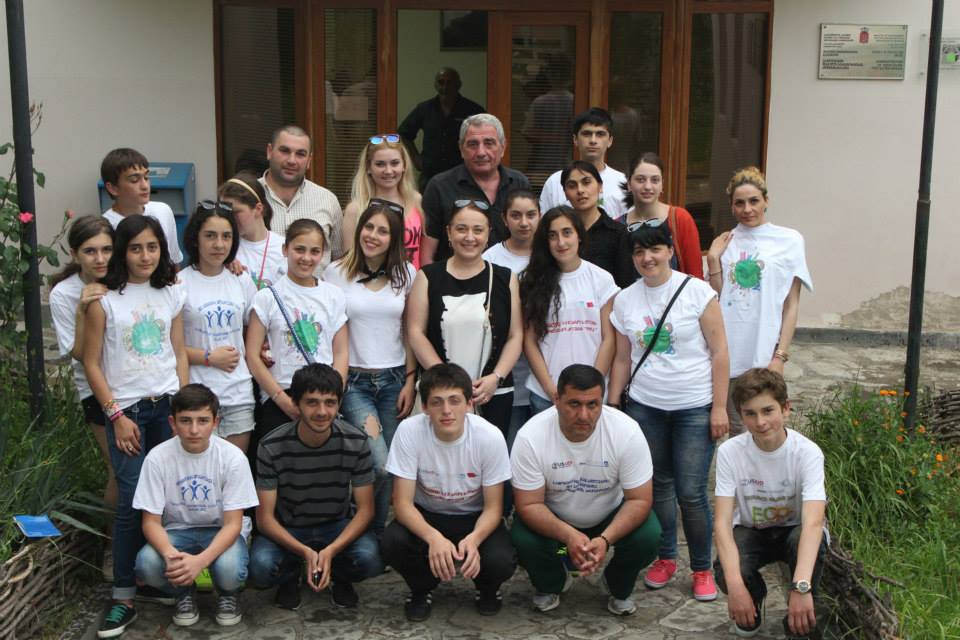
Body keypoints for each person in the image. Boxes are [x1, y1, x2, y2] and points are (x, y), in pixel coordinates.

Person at [607, 219, 729, 602]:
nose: (648, 257)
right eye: (639, 251)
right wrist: (613, 404)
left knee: (691, 492)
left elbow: (720, 352)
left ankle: (702, 568)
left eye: (655, 249)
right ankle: (666, 558)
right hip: (647, 407)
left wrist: (719, 407)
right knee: (658, 486)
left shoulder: (697, 292)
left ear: (670, 251)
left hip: (694, 407)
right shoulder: (625, 299)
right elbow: (622, 358)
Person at [82, 215, 187, 638]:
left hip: (167, 408)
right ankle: (122, 595)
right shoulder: (104, 299)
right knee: (130, 500)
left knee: (165, 498)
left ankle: (154, 577)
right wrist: (116, 416)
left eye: (153, 247)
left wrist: (184, 408)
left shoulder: (171, 292)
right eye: (136, 248)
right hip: (128, 413)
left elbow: (178, 351)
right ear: (122, 252)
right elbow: (91, 363)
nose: (145, 256)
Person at [510, 364, 660, 616]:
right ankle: (554, 580)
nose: (583, 415)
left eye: (592, 405)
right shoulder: (531, 436)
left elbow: (639, 500)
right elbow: (529, 504)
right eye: (574, 404)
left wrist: (604, 541)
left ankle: (616, 583)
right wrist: (569, 537)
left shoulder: (627, 431)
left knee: (647, 538)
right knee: (525, 541)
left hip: (607, 524)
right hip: (558, 532)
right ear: (557, 400)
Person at [380, 363, 516, 621]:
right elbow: (402, 504)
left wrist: (474, 539)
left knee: (502, 559)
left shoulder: (490, 437)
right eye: (437, 402)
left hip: (475, 517)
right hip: (428, 514)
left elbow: (494, 508)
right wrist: (433, 537)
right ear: (424, 407)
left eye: (455, 401)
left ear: (469, 404)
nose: (446, 411)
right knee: (392, 542)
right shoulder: (409, 431)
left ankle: (487, 588)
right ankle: (421, 588)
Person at [249, 364, 383, 610]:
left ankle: (338, 574)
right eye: (312, 402)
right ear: (296, 403)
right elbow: (265, 519)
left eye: (330, 403)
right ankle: (291, 575)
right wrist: (304, 551)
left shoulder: (355, 441)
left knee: (371, 558)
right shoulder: (271, 445)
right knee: (260, 567)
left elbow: (366, 510)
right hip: (289, 526)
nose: (322, 411)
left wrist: (332, 550)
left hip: (336, 524)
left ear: (339, 404)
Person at [324, 201, 417, 534]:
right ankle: (365, 532)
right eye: (368, 227)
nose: (373, 236)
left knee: (391, 465)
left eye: (383, 231)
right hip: (355, 381)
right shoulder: (335, 272)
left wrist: (411, 381)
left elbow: (410, 330)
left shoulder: (407, 274)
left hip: (394, 379)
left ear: (394, 238)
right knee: (378, 464)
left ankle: (372, 536)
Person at [132, 384, 258, 628]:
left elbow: (233, 524)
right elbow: (150, 522)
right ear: (172, 422)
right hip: (176, 531)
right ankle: (183, 592)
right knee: (146, 564)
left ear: (215, 422)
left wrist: (200, 562)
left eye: (203, 420)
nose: (194, 430)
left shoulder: (232, 458)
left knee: (230, 570)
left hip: (220, 530)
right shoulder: (157, 458)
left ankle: (228, 594)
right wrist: (170, 556)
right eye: (185, 420)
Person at [714, 368, 827, 639]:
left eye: (768, 411)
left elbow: (813, 522)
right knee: (726, 571)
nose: (760, 422)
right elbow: (721, 523)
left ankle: (800, 616)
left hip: (795, 529)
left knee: (807, 543)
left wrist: (800, 588)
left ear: (786, 408)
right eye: (750, 414)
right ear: (740, 415)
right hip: (752, 530)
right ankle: (754, 597)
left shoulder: (807, 453)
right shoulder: (729, 452)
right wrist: (736, 587)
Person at [706, 167, 812, 434]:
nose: (747, 209)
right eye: (739, 203)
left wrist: (780, 356)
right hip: (728, 354)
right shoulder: (725, 242)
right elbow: (718, 299)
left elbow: (791, 304)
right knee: (735, 433)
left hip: (764, 356)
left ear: (766, 200)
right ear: (731, 206)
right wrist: (713, 260)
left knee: (765, 430)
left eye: (754, 201)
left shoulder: (789, 240)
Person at [406, 200, 523, 440]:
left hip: (492, 393)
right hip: (441, 395)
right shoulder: (427, 277)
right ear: (449, 232)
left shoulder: (505, 278)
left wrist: (496, 377)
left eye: (478, 230)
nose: (470, 237)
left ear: (488, 234)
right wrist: (447, 380)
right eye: (461, 229)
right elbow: (416, 332)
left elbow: (516, 335)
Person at [245, 219, 348, 442]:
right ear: (285, 249)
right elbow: (252, 355)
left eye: (314, 251)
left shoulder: (334, 295)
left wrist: (333, 397)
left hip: (323, 396)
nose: (306, 258)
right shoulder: (266, 297)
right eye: (299, 249)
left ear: (322, 254)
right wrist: (282, 400)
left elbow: (341, 352)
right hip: (281, 394)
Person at [520, 206, 619, 415]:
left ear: (579, 235)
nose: (561, 242)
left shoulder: (601, 279)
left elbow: (609, 339)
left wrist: (593, 386)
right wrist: (550, 389)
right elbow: (529, 342)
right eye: (552, 235)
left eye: (567, 233)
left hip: (591, 396)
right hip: (546, 396)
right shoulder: (533, 281)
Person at [49, 216, 117, 515]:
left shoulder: (123, 278)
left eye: (107, 249)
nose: (100, 259)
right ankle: (113, 536)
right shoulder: (63, 293)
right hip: (96, 391)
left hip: (138, 383)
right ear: (75, 254)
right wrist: (81, 310)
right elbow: (78, 353)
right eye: (90, 251)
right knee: (119, 469)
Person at [179, 201, 258, 453]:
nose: (219, 244)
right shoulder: (179, 283)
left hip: (238, 394)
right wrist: (208, 357)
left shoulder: (241, 279)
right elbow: (171, 347)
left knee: (233, 468)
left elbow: (255, 333)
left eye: (226, 236)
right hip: (197, 396)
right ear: (195, 239)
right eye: (210, 236)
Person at [421, 114, 531, 264]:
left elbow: (530, 240)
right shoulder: (439, 187)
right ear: (461, 149)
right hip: (454, 277)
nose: (481, 152)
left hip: (510, 275)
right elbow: (427, 254)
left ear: (503, 147)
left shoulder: (519, 183)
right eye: (473, 144)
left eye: (489, 143)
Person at [482, 188, 540, 444]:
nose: (524, 222)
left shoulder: (550, 254)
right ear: (504, 219)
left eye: (531, 215)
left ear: (540, 216)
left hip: (544, 375)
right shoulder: (490, 258)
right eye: (516, 215)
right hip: (505, 374)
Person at [259, 125, 344, 269]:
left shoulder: (327, 200)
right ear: (269, 151)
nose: (292, 160)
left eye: (300, 154)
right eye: (285, 151)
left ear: (309, 160)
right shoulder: (248, 197)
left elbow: (339, 261)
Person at [342, 134, 425, 269]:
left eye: (395, 163)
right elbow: (349, 263)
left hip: (413, 281)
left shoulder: (416, 200)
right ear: (368, 168)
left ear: (404, 165)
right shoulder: (355, 209)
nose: (388, 171)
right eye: (380, 164)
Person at [398, 67, 485, 192]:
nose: (444, 87)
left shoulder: (473, 110)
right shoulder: (425, 108)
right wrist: (416, 159)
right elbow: (404, 133)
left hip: (463, 174)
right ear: (435, 85)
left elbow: (485, 137)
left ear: (458, 85)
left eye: (449, 82)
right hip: (430, 175)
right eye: (441, 82)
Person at [619, 153, 703, 279]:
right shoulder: (618, 226)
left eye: (655, 180)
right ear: (629, 184)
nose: (648, 186)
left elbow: (695, 275)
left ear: (662, 184)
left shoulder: (680, 219)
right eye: (640, 180)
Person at [539, 107, 627, 220]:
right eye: (587, 134)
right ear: (575, 139)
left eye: (600, 134)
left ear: (610, 141)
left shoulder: (623, 183)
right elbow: (544, 224)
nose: (593, 140)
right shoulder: (555, 181)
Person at [100, 148, 183, 265]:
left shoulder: (162, 210)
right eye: (134, 180)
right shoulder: (105, 227)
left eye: (146, 177)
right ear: (113, 188)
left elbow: (173, 260)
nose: (145, 186)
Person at [560, 161, 634, 287]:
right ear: (565, 193)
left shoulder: (619, 234)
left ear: (600, 187)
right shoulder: (559, 234)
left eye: (586, 182)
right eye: (572, 186)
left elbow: (626, 285)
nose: (580, 190)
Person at [218, 172, 286, 290]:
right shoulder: (222, 247)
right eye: (225, 212)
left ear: (258, 209)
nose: (229, 218)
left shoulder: (283, 247)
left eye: (235, 212)